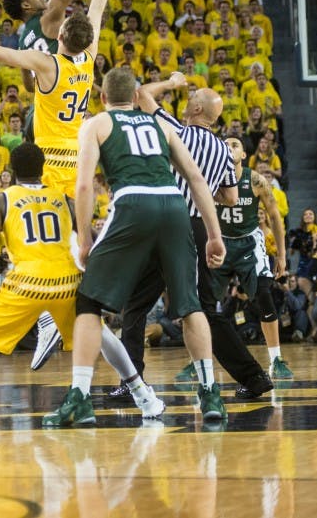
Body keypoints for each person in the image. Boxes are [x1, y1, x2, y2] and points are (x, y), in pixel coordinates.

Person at [0, 0, 134, 371]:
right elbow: (99, 6)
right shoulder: (89, 58)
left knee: (46, 247)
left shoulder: (45, 62)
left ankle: (50, 318)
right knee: (74, 248)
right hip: (81, 157)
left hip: (50, 160)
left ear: (60, 39)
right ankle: (66, 315)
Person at [0, 143, 164, 429]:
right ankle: (145, 397)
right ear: (42, 168)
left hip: (26, 283)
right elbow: (92, 237)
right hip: (67, 282)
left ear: (11, 169)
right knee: (100, 333)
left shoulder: (2, 199)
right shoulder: (62, 197)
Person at [42, 67, 227, 426]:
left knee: (89, 303)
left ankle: (79, 397)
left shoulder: (96, 124)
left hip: (131, 202)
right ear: (137, 96)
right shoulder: (161, 125)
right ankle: (210, 393)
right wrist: (214, 234)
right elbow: (195, 177)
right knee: (190, 306)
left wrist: (84, 236)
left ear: (102, 98)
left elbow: (83, 187)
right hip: (174, 206)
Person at [112, 72, 275, 404]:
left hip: (166, 221)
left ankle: (133, 383)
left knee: (137, 306)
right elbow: (229, 197)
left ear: (198, 108)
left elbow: (140, 94)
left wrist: (171, 84)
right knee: (203, 310)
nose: (186, 100)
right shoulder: (222, 150)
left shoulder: (178, 130)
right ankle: (254, 378)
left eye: (191, 98)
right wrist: (203, 191)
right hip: (199, 227)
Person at [208, 135, 293, 375]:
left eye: (234, 144)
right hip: (220, 242)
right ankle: (200, 360)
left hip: (248, 243)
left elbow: (276, 217)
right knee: (203, 303)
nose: (229, 147)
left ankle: (276, 359)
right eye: (224, 144)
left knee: (263, 295)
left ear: (244, 155)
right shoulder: (209, 178)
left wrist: (282, 255)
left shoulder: (255, 180)